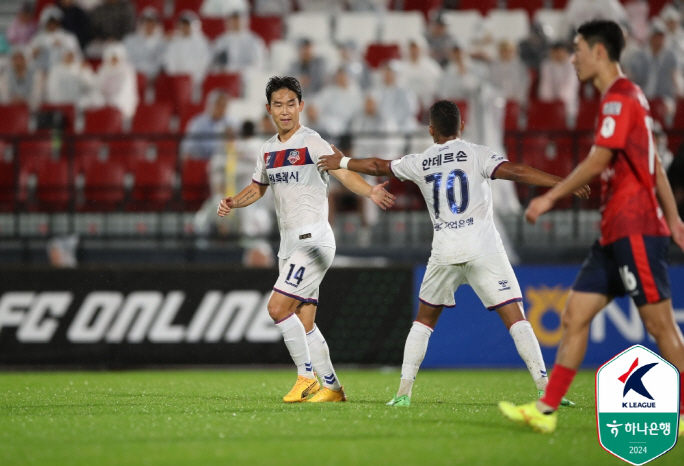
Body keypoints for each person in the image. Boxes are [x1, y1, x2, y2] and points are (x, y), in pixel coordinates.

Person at [317, 100, 589, 407]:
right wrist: (561, 182)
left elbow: (379, 166)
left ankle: (403, 394)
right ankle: (546, 388)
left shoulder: (421, 161)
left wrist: (342, 161)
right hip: (483, 247)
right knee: (516, 318)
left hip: (445, 250)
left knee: (423, 322)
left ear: (431, 131)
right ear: (462, 126)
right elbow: (515, 171)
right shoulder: (477, 153)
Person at [498, 20, 684, 436]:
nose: (574, 57)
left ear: (600, 52)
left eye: (579, 49)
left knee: (660, 327)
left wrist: (549, 196)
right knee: (575, 315)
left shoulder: (620, 97)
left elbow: (600, 158)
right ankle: (546, 410)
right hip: (614, 231)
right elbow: (654, 165)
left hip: (635, 228)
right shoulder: (622, 99)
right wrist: (674, 218)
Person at [217, 76, 395, 403]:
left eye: (290, 104)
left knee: (276, 307)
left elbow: (342, 171)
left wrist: (369, 190)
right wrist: (232, 201)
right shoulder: (268, 150)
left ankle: (306, 378)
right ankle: (332, 388)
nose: (284, 111)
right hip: (288, 244)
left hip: (314, 241)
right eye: (278, 105)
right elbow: (257, 187)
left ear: (301, 106)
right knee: (304, 320)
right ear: (269, 109)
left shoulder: (313, 143)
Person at [180, 90, 239, 160]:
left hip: (223, 163)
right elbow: (188, 148)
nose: (221, 108)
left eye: (224, 105)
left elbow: (239, 148)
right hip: (202, 162)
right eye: (218, 104)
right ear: (210, 104)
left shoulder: (232, 123)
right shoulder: (198, 123)